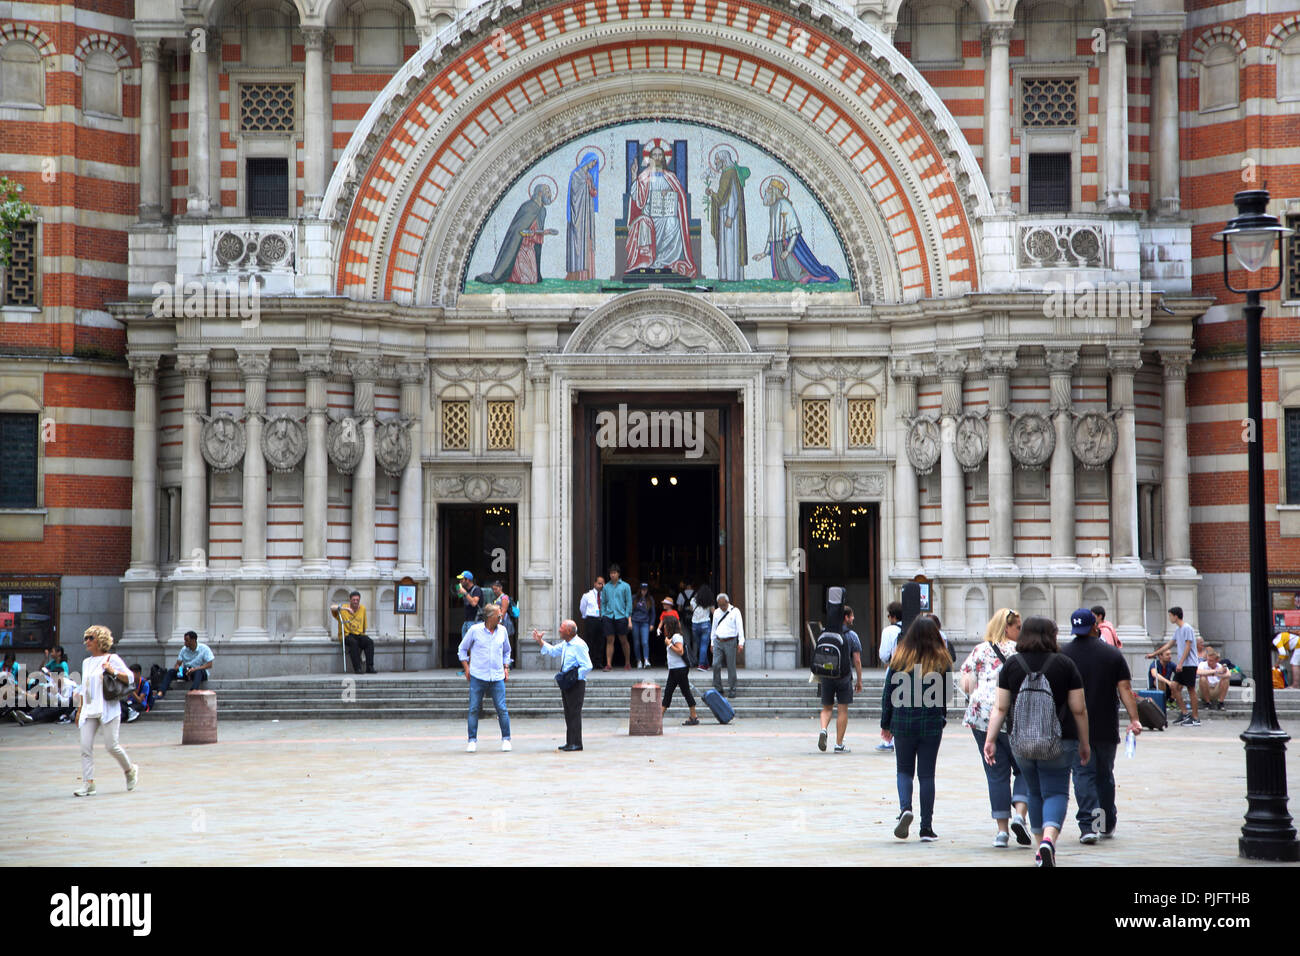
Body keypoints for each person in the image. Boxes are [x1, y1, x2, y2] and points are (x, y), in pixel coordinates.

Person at [984, 616, 1090, 868]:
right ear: (1051, 636)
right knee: (1056, 791)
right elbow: (1079, 709)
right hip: (1060, 740)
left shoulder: (1011, 665)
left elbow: (1000, 708)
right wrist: (1084, 742)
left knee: (1033, 791)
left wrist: (990, 739)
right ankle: (1048, 842)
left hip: (1020, 741)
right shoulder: (1065, 664)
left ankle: (1038, 846)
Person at [1062, 608, 1143, 844]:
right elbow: (1125, 689)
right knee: (1104, 775)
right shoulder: (1112, 654)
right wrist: (1134, 719)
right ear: (1095, 626)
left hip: (1075, 726)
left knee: (1083, 775)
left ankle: (1089, 826)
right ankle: (1106, 823)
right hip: (1106, 725)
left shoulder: (1064, 655)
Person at [960, 608, 1030, 848]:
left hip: (981, 715)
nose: (1021, 632)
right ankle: (1020, 814)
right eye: (1018, 627)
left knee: (996, 774)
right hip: (1013, 714)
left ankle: (1001, 832)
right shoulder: (1022, 652)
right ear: (1007, 628)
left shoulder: (981, 649)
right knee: (1025, 768)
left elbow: (967, 683)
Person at [880, 616, 951, 842]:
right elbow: (946, 696)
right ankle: (926, 828)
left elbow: (888, 693)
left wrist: (886, 723)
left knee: (904, 770)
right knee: (927, 775)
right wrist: (941, 718)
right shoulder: (942, 661)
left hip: (903, 720)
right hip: (930, 722)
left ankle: (905, 809)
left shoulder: (899, 659)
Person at [73, 625, 138, 797]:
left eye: (90, 638)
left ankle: (130, 771)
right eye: (86, 638)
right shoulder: (86, 662)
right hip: (89, 710)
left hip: (107, 709)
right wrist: (79, 710)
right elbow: (84, 687)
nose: (86, 641)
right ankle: (88, 784)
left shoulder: (111, 658)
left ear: (100, 640)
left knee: (111, 746)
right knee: (85, 747)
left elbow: (130, 678)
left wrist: (112, 671)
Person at [624, 142, 697, 277]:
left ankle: (664, 261)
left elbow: (679, 197)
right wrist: (634, 175)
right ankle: (647, 262)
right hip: (649, 215)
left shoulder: (670, 177)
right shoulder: (644, 176)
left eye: (660, 155)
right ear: (650, 158)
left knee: (673, 223)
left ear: (663, 158)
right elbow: (636, 196)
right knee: (644, 223)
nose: (657, 158)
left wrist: (669, 193)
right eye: (654, 155)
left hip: (665, 213)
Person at [475, 183, 559, 284]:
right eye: (548, 192)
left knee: (532, 279)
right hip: (520, 248)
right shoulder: (527, 207)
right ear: (540, 193)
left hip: (531, 248)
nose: (550, 195)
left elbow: (537, 232)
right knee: (527, 280)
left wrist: (544, 232)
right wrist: (542, 232)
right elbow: (520, 231)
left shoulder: (542, 211)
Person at [457, 605, 512, 753]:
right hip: (478, 675)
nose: (501, 618)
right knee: (474, 708)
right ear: (489, 617)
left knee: (502, 709)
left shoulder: (503, 631)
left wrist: (506, 667)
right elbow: (462, 649)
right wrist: (467, 668)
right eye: (498, 616)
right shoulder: (475, 631)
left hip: (497, 676)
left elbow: (507, 651)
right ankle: (472, 740)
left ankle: (506, 739)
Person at [534, 620, 593, 751]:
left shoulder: (579, 645)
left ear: (568, 631)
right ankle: (570, 741)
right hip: (568, 682)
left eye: (561, 628)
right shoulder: (566, 644)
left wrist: (575, 676)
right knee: (568, 713)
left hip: (576, 683)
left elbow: (588, 666)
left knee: (574, 713)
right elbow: (553, 651)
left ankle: (576, 743)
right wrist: (540, 641)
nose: (559, 630)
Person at [817, 605, 863, 753]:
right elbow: (857, 660)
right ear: (846, 617)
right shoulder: (851, 635)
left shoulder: (824, 633)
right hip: (843, 676)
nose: (853, 618)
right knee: (842, 710)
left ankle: (823, 729)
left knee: (826, 708)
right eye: (852, 616)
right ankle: (838, 744)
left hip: (826, 675)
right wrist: (859, 680)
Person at [1146, 607, 1200, 727]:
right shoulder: (1178, 630)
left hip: (1189, 664)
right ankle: (1185, 713)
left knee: (1191, 689)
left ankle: (1196, 717)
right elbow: (1169, 644)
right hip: (1183, 664)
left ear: (1176, 616)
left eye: (1170, 616)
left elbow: (1188, 646)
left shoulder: (1187, 628)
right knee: (1174, 686)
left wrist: (1180, 663)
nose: (1170, 618)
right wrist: (1154, 654)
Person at [704, 146, 749, 281]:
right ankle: (725, 275)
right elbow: (723, 195)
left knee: (731, 245)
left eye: (717, 159)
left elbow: (734, 197)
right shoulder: (726, 173)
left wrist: (730, 216)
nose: (716, 162)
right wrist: (712, 193)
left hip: (731, 217)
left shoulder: (731, 173)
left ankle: (733, 276)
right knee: (725, 246)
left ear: (723, 160)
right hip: (724, 213)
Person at [875, 601, 904, 752]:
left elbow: (884, 655)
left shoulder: (889, 631)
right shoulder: (913, 627)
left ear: (892, 616)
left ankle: (888, 740)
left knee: (889, 704)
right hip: (913, 672)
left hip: (894, 670)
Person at [566, 153, 599, 281]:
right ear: (587, 161)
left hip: (588, 214)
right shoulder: (576, 175)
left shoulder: (589, 176)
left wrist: (591, 187)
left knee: (588, 240)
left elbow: (593, 192)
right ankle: (576, 275)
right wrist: (585, 186)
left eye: (595, 163)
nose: (593, 165)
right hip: (579, 213)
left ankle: (588, 274)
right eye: (593, 162)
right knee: (578, 241)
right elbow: (574, 195)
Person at [661, 616, 700, 725]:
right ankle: (693, 716)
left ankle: (659, 716)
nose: (664, 627)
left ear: (670, 626)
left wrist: (669, 644)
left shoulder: (676, 637)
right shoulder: (673, 637)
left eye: (665, 624)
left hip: (680, 669)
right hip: (675, 669)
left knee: (678, 692)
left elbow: (680, 651)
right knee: (672, 691)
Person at [155, 630, 215, 698]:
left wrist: (195, 669)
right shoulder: (184, 649)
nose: (185, 643)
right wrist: (178, 669)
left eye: (187, 640)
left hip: (200, 672)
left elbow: (210, 664)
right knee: (171, 671)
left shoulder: (204, 648)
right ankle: (160, 692)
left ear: (193, 640)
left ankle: (193, 691)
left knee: (198, 672)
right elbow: (178, 664)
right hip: (187, 672)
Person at [331, 591, 376, 675]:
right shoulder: (344, 608)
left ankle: (370, 667)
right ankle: (357, 668)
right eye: (354, 600)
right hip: (346, 634)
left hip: (358, 634)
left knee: (369, 642)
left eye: (357, 600)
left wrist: (363, 635)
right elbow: (332, 607)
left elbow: (364, 624)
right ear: (350, 600)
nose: (355, 601)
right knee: (353, 643)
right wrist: (346, 609)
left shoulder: (362, 609)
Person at [711, 592, 744, 698]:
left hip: (730, 641)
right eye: (720, 605)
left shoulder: (735, 611)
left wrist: (741, 642)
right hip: (718, 641)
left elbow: (740, 628)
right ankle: (718, 688)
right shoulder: (716, 612)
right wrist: (712, 642)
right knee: (715, 664)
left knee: (731, 665)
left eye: (723, 605)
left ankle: (732, 688)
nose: (722, 607)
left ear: (727, 602)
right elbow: (714, 628)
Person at [601, 564, 633, 671]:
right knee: (609, 640)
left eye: (614, 573)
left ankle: (627, 662)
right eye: (611, 573)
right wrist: (603, 614)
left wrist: (628, 617)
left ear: (618, 574)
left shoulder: (625, 586)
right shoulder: (606, 587)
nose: (612, 575)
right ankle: (609, 664)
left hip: (621, 616)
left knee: (623, 640)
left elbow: (628, 602)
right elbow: (603, 602)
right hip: (609, 615)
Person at [631, 582, 655, 669]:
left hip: (645, 622)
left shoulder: (650, 599)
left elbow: (653, 613)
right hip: (635, 621)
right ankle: (638, 660)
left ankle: (646, 660)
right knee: (636, 642)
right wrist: (629, 621)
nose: (643, 592)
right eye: (642, 590)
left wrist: (652, 623)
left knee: (645, 642)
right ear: (639, 590)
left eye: (645, 590)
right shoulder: (634, 598)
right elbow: (630, 610)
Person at [691, 585, 714, 671]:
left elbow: (691, 609)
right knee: (704, 645)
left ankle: (706, 664)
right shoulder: (709, 601)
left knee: (700, 645)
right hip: (705, 624)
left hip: (695, 625)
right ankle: (701, 665)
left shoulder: (693, 600)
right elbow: (714, 613)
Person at [456, 571, 484, 640]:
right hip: (467, 621)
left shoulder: (476, 589)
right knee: (465, 645)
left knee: (473, 645)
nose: (460, 581)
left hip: (475, 621)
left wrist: (465, 593)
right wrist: (460, 593)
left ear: (468, 580)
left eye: (462, 579)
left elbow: (474, 603)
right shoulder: (466, 590)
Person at [579, 575, 604, 649]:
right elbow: (582, 607)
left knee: (601, 641)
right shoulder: (587, 595)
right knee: (590, 641)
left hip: (602, 620)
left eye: (602, 584)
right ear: (595, 584)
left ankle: (599, 660)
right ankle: (590, 659)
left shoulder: (604, 595)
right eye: (599, 583)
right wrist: (585, 616)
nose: (601, 586)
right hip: (591, 620)